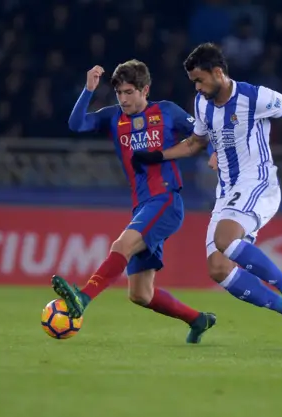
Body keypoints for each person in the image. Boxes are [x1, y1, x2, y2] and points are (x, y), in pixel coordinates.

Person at [132, 43, 282, 348]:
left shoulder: (255, 96)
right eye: (194, 83)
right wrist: (158, 156)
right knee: (218, 269)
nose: (197, 88)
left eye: (200, 80)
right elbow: (195, 144)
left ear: (218, 73)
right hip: (227, 191)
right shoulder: (202, 103)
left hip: (258, 183)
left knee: (226, 239)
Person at [51, 59, 216, 344]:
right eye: (119, 93)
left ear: (145, 89)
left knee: (121, 246)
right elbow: (76, 124)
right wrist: (88, 90)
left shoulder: (166, 112)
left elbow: (203, 134)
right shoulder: (113, 117)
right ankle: (198, 319)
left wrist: (213, 153)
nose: (124, 99)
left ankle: (83, 298)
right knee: (140, 294)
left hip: (165, 200)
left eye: (129, 92)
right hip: (142, 205)